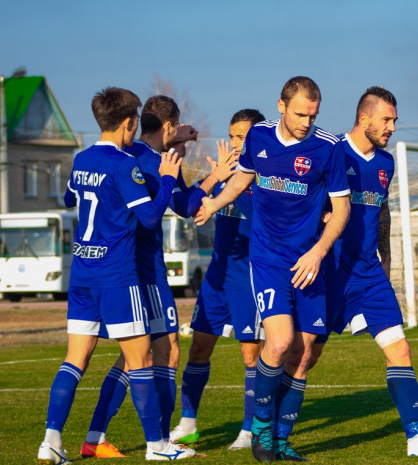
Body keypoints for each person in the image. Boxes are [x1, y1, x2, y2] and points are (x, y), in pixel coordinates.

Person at [195, 76, 351, 462]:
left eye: (313, 115)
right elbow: (240, 181)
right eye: (300, 113)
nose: (306, 121)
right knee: (279, 342)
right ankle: (261, 425)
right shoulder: (260, 138)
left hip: (308, 261)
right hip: (266, 259)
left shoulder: (328, 148)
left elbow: (342, 209)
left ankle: (282, 439)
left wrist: (318, 252)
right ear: (281, 106)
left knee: (303, 353)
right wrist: (212, 206)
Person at [36, 87, 195, 464]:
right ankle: (157, 446)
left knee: (74, 361)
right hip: (117, 276)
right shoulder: (125, 165)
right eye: (136, 121)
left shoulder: (81, 159)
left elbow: (69, 200)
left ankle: (51, 441)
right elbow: (152, 217)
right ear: (129, 122)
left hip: (82, 275)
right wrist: (170, 178)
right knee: (140, 362)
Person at [310, 87, 418, 457]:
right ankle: (264, 427)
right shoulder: (331, 153)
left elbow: (381, 211)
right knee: (304, 358)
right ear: (364, 119)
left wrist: (387, 256)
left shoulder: (385, 163)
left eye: (394, 119)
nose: (393, 126)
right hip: (330, 274)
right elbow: (306, 204)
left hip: (369, 274)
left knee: (400, 349)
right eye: (387, 119)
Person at [78, 95, 234, 459]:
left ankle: (96, 436)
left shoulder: (131, 154)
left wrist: (178, 140)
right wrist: (215, 177)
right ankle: (160, 442)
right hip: (144, 270)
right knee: (165, 351)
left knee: (134, 358)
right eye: (175, 127)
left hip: (122, 267)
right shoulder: (151, 162)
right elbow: (183, 206)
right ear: (166, 125)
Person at [170, 109, 266, 451]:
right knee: (198, 348)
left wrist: (238, 183)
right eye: (234, 136)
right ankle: (188, 423)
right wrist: (207, 176)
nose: (237, 143)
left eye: (245, 137)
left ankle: (250, 429)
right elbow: (186, 204)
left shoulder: (265, 178)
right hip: (216, 277)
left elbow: (261, 220)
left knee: (251, 355)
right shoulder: (224, 174)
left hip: (249, 279)